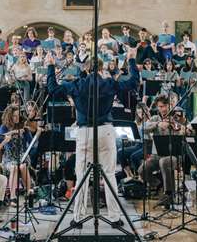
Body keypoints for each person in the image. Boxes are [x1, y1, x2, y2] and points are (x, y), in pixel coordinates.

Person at [46, 46, 140, 227]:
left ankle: (78, 218)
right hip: (105, 130)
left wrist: (51, 66)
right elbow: (133, 82)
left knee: (81, 175)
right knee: (109, 174)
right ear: (101, 68)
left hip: (84, 132)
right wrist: (132, 60)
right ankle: (114, 218)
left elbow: (52, 89)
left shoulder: (76, 84)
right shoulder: (109, 83)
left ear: (86, 69)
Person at [140, 96, 192, 208]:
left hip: (174, 155)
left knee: (164, 162)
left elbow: (191, 130)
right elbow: (143, 127)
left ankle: (168, 194)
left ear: (169, 105)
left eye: (164, 106)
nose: (162, 109)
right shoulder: (155, 118)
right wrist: (157, 124)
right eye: (160, 107)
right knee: (142, 169)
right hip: (157, 155)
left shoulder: (177, 117)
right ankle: (159, 185)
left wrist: (185, 129)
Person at [0, 105, 32, 203]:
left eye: (18, 115)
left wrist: (28, 132)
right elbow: (0, 138)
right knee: (14, 167)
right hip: (9, 157)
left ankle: (29, 192)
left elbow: (31, 142)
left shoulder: (22, 126)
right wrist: (13, 132)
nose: (17, 118)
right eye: (15, 116)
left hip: (22, 155)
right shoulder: (4, 127)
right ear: (9, 116)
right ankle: (12, 196)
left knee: (23, 166)